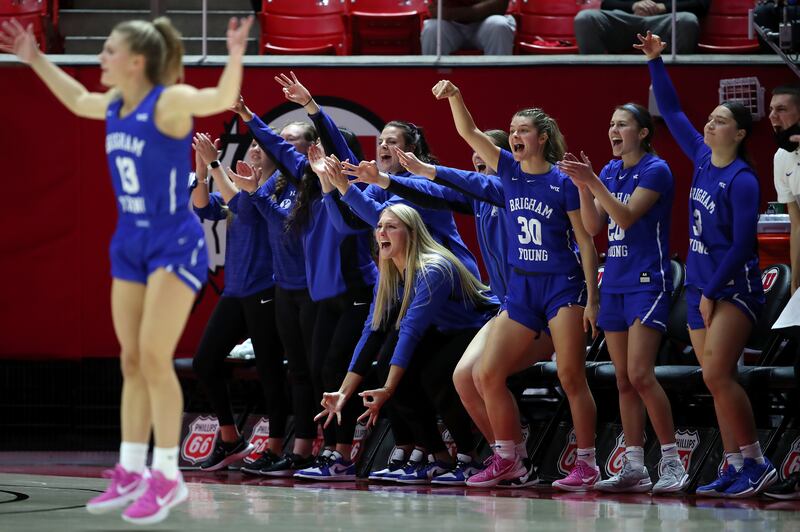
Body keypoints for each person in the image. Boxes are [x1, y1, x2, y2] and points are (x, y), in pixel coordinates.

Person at [0, 14, 253, 524]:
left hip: (174, 245)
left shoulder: (169, 102)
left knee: (156, 360)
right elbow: (75, 100)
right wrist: (34, 58)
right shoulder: (115, 104)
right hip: (129, 243)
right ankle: (132, 469)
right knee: (132, 361)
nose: (101, 58)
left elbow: (220, 97)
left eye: (109, 50)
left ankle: (167, 477)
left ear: (137, 61)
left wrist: (235, 54)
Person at [431, 79, 601, 490]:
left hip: (562, 286)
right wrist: (456, 96)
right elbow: (468, 132)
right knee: (487, 373)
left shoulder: (563, 181)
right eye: (512, 129)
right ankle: (508, 459)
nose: (514, 135)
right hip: (522, 290)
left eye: (522, 129)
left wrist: (593, 300)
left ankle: (587, 463)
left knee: (571, 375)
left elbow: (587, 237)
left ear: (542, 138)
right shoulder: (507, 169)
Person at [360, 134, 555, 486]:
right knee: (466, 375)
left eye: (487, 163)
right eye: (476, 164)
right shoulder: (479, 200)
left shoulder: (527, 196)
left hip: (539, 306)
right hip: (507, 310)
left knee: (489, 374)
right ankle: (510, 457)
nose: (479, 170)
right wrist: (381, 180)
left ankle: (547, 457)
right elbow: (430, 191)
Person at [637, 30, 776, 498]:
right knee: (717, 381)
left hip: (732, 288)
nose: (710, 125)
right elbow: (672, 112)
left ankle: (757, 462)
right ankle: (734, 463)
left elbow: (742, 245)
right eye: (710, 120)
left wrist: (712, 293)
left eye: (719, 122)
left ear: (738, 133)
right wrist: (657, 61)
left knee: (717, 374)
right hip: (698, 287)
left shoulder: (742, 180)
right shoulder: (700, 157)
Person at [228, 93, 378, 481]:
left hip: (358, 293)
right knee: (315, 371)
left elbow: (347, 227)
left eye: (322, 152)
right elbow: (279, 147)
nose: (313, 157)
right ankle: (324, 451)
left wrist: (312, 107)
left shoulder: (356, 193)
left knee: (332, 370)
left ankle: (341, 453)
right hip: (323, 295)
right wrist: (248, 114)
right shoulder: (307, 182)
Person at [558, 103, 688, 494]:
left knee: (640, 374)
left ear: (643, 132)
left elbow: (627, 216)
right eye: (611, 124)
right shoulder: (611, 171)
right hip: (614, 281)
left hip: (648, 281)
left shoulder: (656, 170)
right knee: (623, 380)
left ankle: (671, 461)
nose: (613, 130)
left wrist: (593, 182)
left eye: (622, 124)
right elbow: (595, 225)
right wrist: (584, 187)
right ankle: (634, 464)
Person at [314, 202, 492, 484]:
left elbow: (411, 331)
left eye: (391, 227)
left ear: (411, 233)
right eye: (379, 226)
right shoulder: (389, 274)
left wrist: (387, 389)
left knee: (434, 374)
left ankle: (469, 458)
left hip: (478, 328)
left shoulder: (434, 267)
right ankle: (439, 458)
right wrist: (344, 392)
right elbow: (371, 331)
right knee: (387, 365)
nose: (382, 232)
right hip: (443, 330)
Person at [190, 133, 290, 473]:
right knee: (204, 361)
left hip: (267, 289)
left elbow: (240, 203)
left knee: (270, 369)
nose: (256, 150)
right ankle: (230, 438)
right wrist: (202, 169)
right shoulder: (235, 186)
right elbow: (202, 206)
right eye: (253, 147)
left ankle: (276, 446)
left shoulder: (275, 189)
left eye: (263, 148)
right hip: (235, 290)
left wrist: (216, 165)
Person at [574, 1, 710, 54]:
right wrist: (633, 5)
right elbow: (605, 3)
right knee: (585, 18)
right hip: (623, 19)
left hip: (665, 19)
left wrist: (661, 7)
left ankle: (680, 75)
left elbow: (701, 5)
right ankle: (597, 75)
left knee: (688, 20)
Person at [768, 85, 800, 295]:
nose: (772, 116)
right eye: (771, 109)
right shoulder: (781, 157)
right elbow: (797, 224)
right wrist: (795, 283)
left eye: (781, 109)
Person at [421, 0, 516, 55]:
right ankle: (434, 84)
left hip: (485, 23)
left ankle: (498, 83)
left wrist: (451, 12)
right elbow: (436, 9)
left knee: (499, 25)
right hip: (451, 25)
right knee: (432, 29)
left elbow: (499, 6)